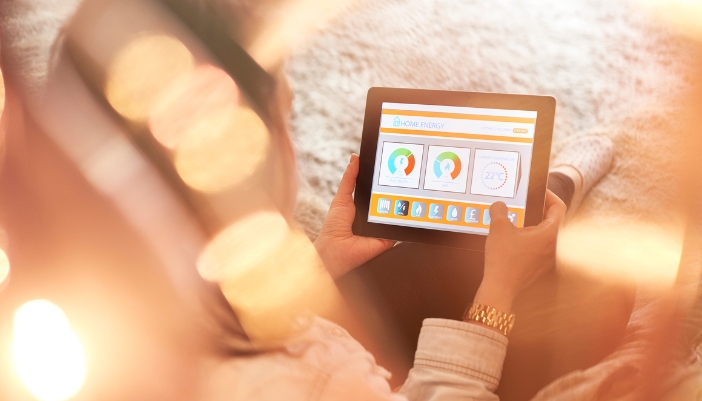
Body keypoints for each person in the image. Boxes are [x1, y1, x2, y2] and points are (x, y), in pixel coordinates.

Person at [0, 0, 698, 400]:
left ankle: (551, 185)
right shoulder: (313, 383)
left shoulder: (71, 305)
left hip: (297, 330)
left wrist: (320, 262)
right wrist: (497, 292)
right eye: (286, 115)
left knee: (455, 246)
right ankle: (556, 190)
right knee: (588, 295)